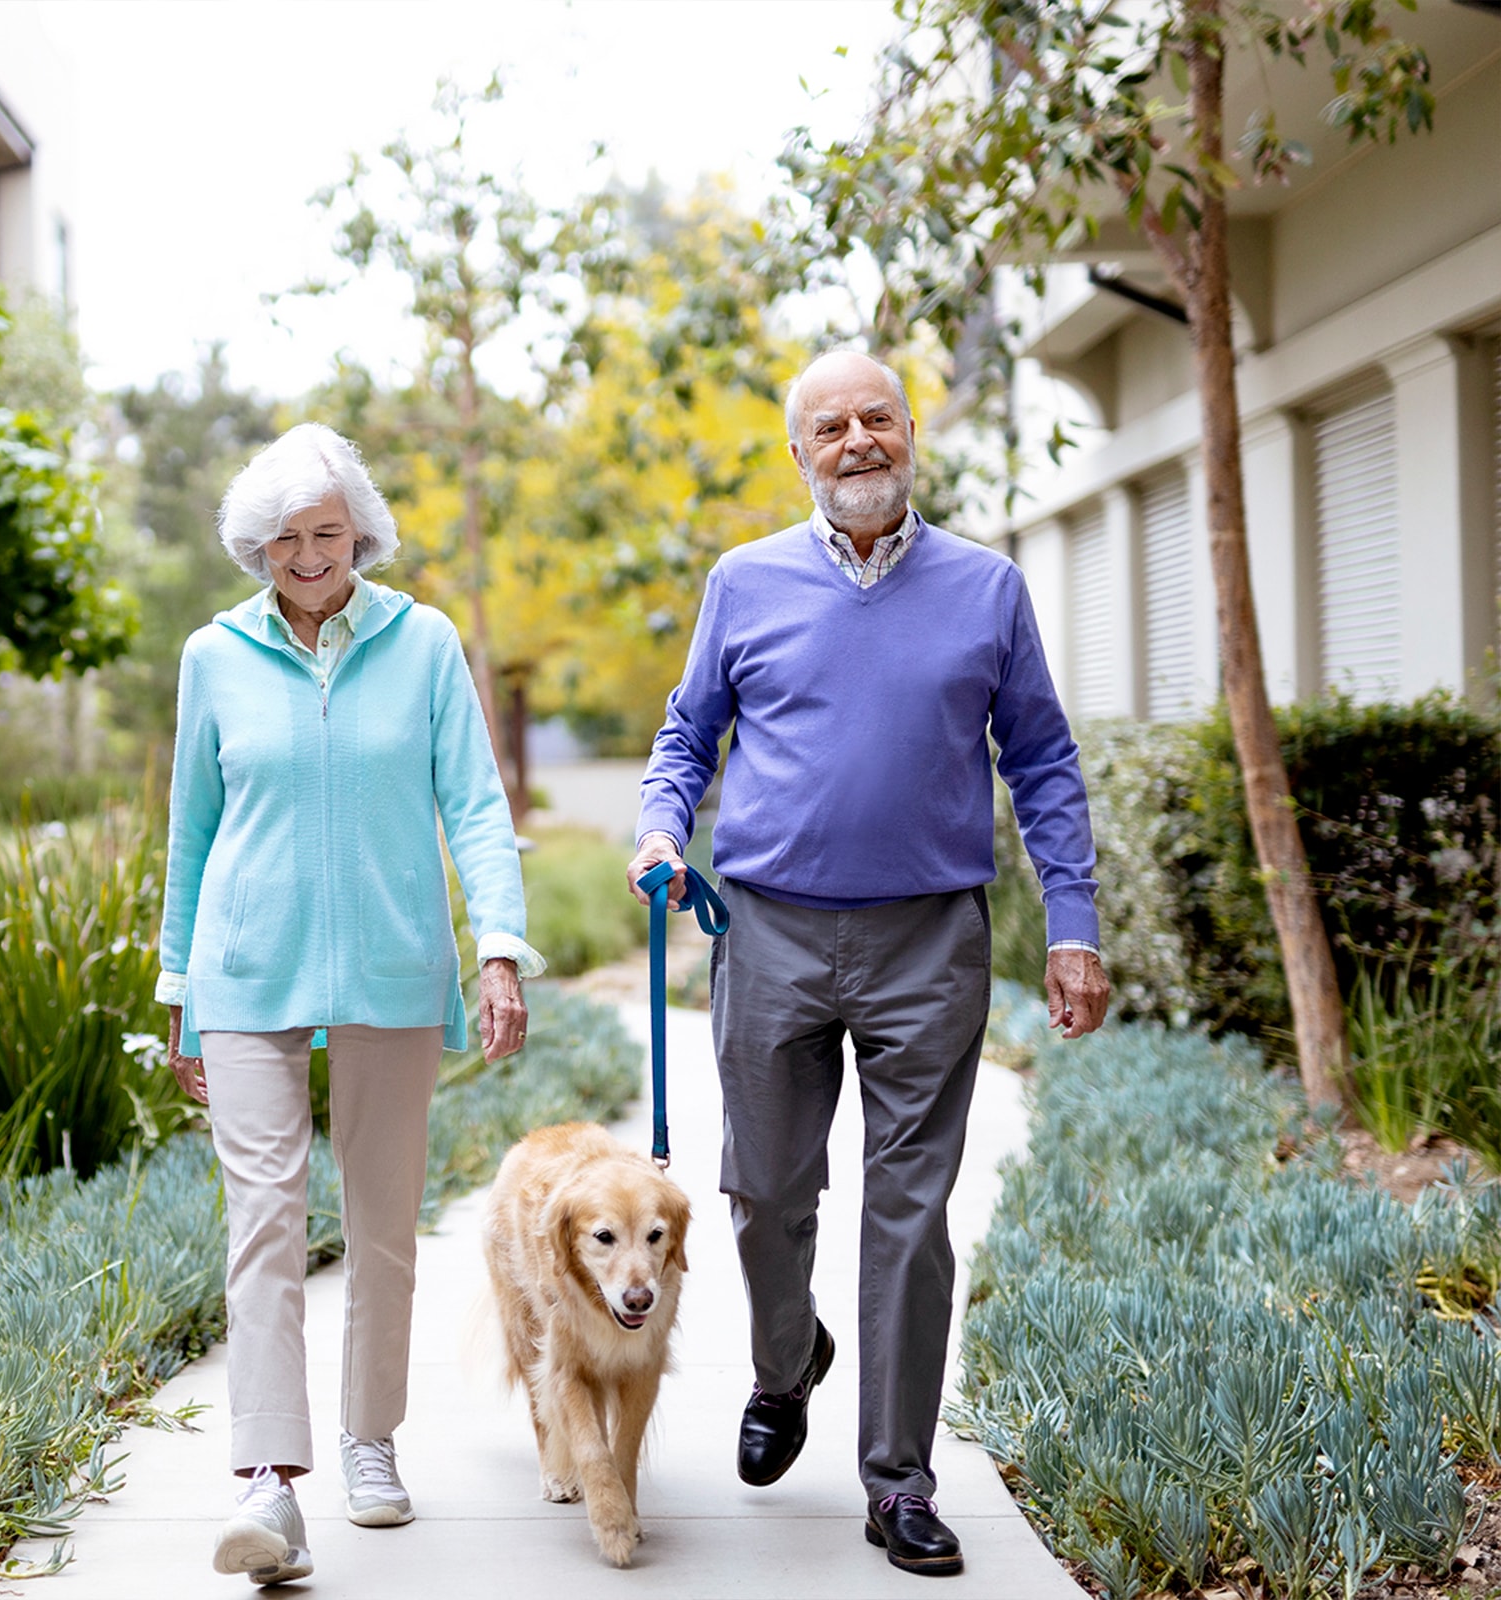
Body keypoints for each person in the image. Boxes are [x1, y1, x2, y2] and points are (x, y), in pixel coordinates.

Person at [626, 350, 1111, 1579]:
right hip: (770, 931)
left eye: (877, 419)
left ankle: (897, 1480)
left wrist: (1074, 924)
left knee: (908, 1213)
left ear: (912, 435)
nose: (857, 441)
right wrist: (657, 830)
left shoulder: (988, 589)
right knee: (765, 1195)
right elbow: (689, 733)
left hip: (928, 940)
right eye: (829, 426)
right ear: (798, 454)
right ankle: (786, 1366)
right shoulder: (743, 583)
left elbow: (1044, 762)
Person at [159, 422, 545, 1586]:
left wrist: (500, 946)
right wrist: (177, 982)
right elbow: (192, 832)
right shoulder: (213, 656)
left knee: (381, 1223)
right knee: (265, 1218)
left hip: (388, 964)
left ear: (361, 535)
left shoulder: (423, 643)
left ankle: (370, 1441)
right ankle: (268, 1487)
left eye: (328, 532)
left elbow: (475, 803)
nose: (309, 553)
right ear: (255, 545)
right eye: (286, 536)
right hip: (244, 972)